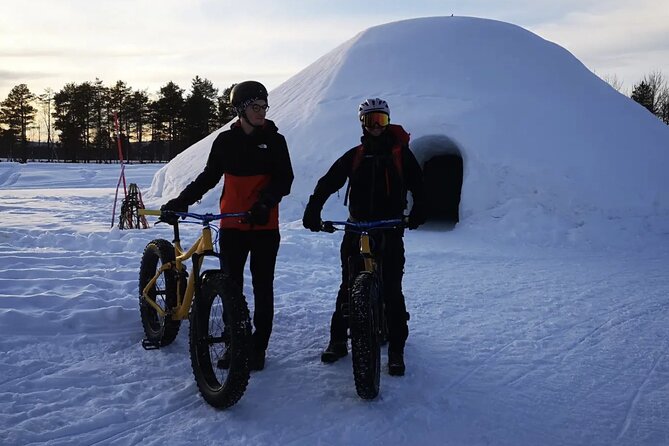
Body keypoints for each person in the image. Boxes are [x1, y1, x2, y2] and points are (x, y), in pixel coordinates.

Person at [161, 80, 294, 371]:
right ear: (240, 110)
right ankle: (235, 344)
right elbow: (209, 177)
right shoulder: (225, 142)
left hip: (264, 227)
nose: (261, 112)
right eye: (255, 107)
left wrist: (264, 203)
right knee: (231, 288)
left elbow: (285, 180)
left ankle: (258, 348)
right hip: (232, 226)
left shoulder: (275, 141)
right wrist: (182, 201)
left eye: (264, 106)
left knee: (263, 287)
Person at [302, 98, 426, 376]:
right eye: (370, 120)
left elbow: (419, 185)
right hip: (357, 228)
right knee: (348, 284)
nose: (376, 126)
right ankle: (337, 340)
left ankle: (396, 350)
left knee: (392, 289)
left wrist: (419, 211)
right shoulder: (355, 155)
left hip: (390, 228)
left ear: (388, 121)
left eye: (381, 120)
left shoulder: (401, 154)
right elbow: (328, 181)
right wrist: (313, 208)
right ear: (362, 123)